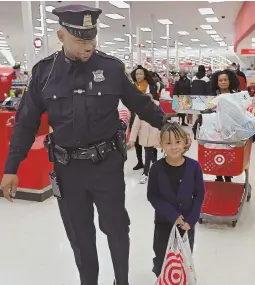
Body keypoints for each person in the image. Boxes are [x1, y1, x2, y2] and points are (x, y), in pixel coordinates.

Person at [0, 5, 184, 285]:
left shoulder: (110, 68)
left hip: (106, 166)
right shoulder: (43, 73)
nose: (88, 46)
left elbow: (139, 103)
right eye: (80, 40)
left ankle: (121, 281)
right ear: (61, 35)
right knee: (80, 236)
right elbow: (25, 123)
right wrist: (11, 167)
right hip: (67, 169)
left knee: (117, 228)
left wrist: (167, 125)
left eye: (92, 39)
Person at [147, 119, 205, 278]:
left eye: (178, 141)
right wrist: (173, 215)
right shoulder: (157, 169)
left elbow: (200, 194)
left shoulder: (194, 167)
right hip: (164, 223)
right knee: (162, 257)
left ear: (185, 142)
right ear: (161, 144)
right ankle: (161, 277)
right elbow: (152, 195)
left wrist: (191, 220)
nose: (174, 146)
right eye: (168, 142)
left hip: (187, 225)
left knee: (183, 259)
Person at [210, 69, 240, 182]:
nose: (223, 82)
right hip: (216, 130)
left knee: (228, 153)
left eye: (225, 80)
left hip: (231, 130)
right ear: (217, 82)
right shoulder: (213, 96)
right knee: (217, 153)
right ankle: (218, 175)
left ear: (229, 81)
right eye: (220, 80)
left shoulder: (235, 95)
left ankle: (228, 175)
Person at [129, 65, 158, 171]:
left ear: (145, 75)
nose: (138, 76)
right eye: (137, 74)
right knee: (137, 139)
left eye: (140, 74)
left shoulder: (151, 86)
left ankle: (153, 162)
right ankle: (140, 162)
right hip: (135, 115)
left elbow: (156, 101)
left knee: (151, 139)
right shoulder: (132, 86)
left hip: (149, 116)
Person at [129, 94, 160, 184]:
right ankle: (148, 172)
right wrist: (132, 139)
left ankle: (150, 172)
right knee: (148, 154)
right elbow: (135, 126)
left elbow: (163, 122)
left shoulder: (158, 110)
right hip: (145, 137)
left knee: (152, 154)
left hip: (156, 136)